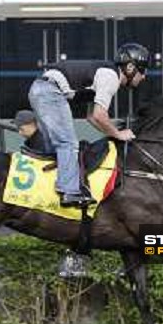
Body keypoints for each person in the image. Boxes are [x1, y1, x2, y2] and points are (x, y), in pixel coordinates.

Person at [28, 42, 150, 208]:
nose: (144, 76)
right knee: (68, 144)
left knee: (55, 149)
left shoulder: (104, 74)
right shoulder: (111, 77)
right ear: (130, 68)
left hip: (41, 89)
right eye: (142, 70)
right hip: (50, 91)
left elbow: (92, 117)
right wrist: (119, 134)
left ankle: (45, 191)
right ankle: (70, 192)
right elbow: (100, 116)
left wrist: (112, 133)